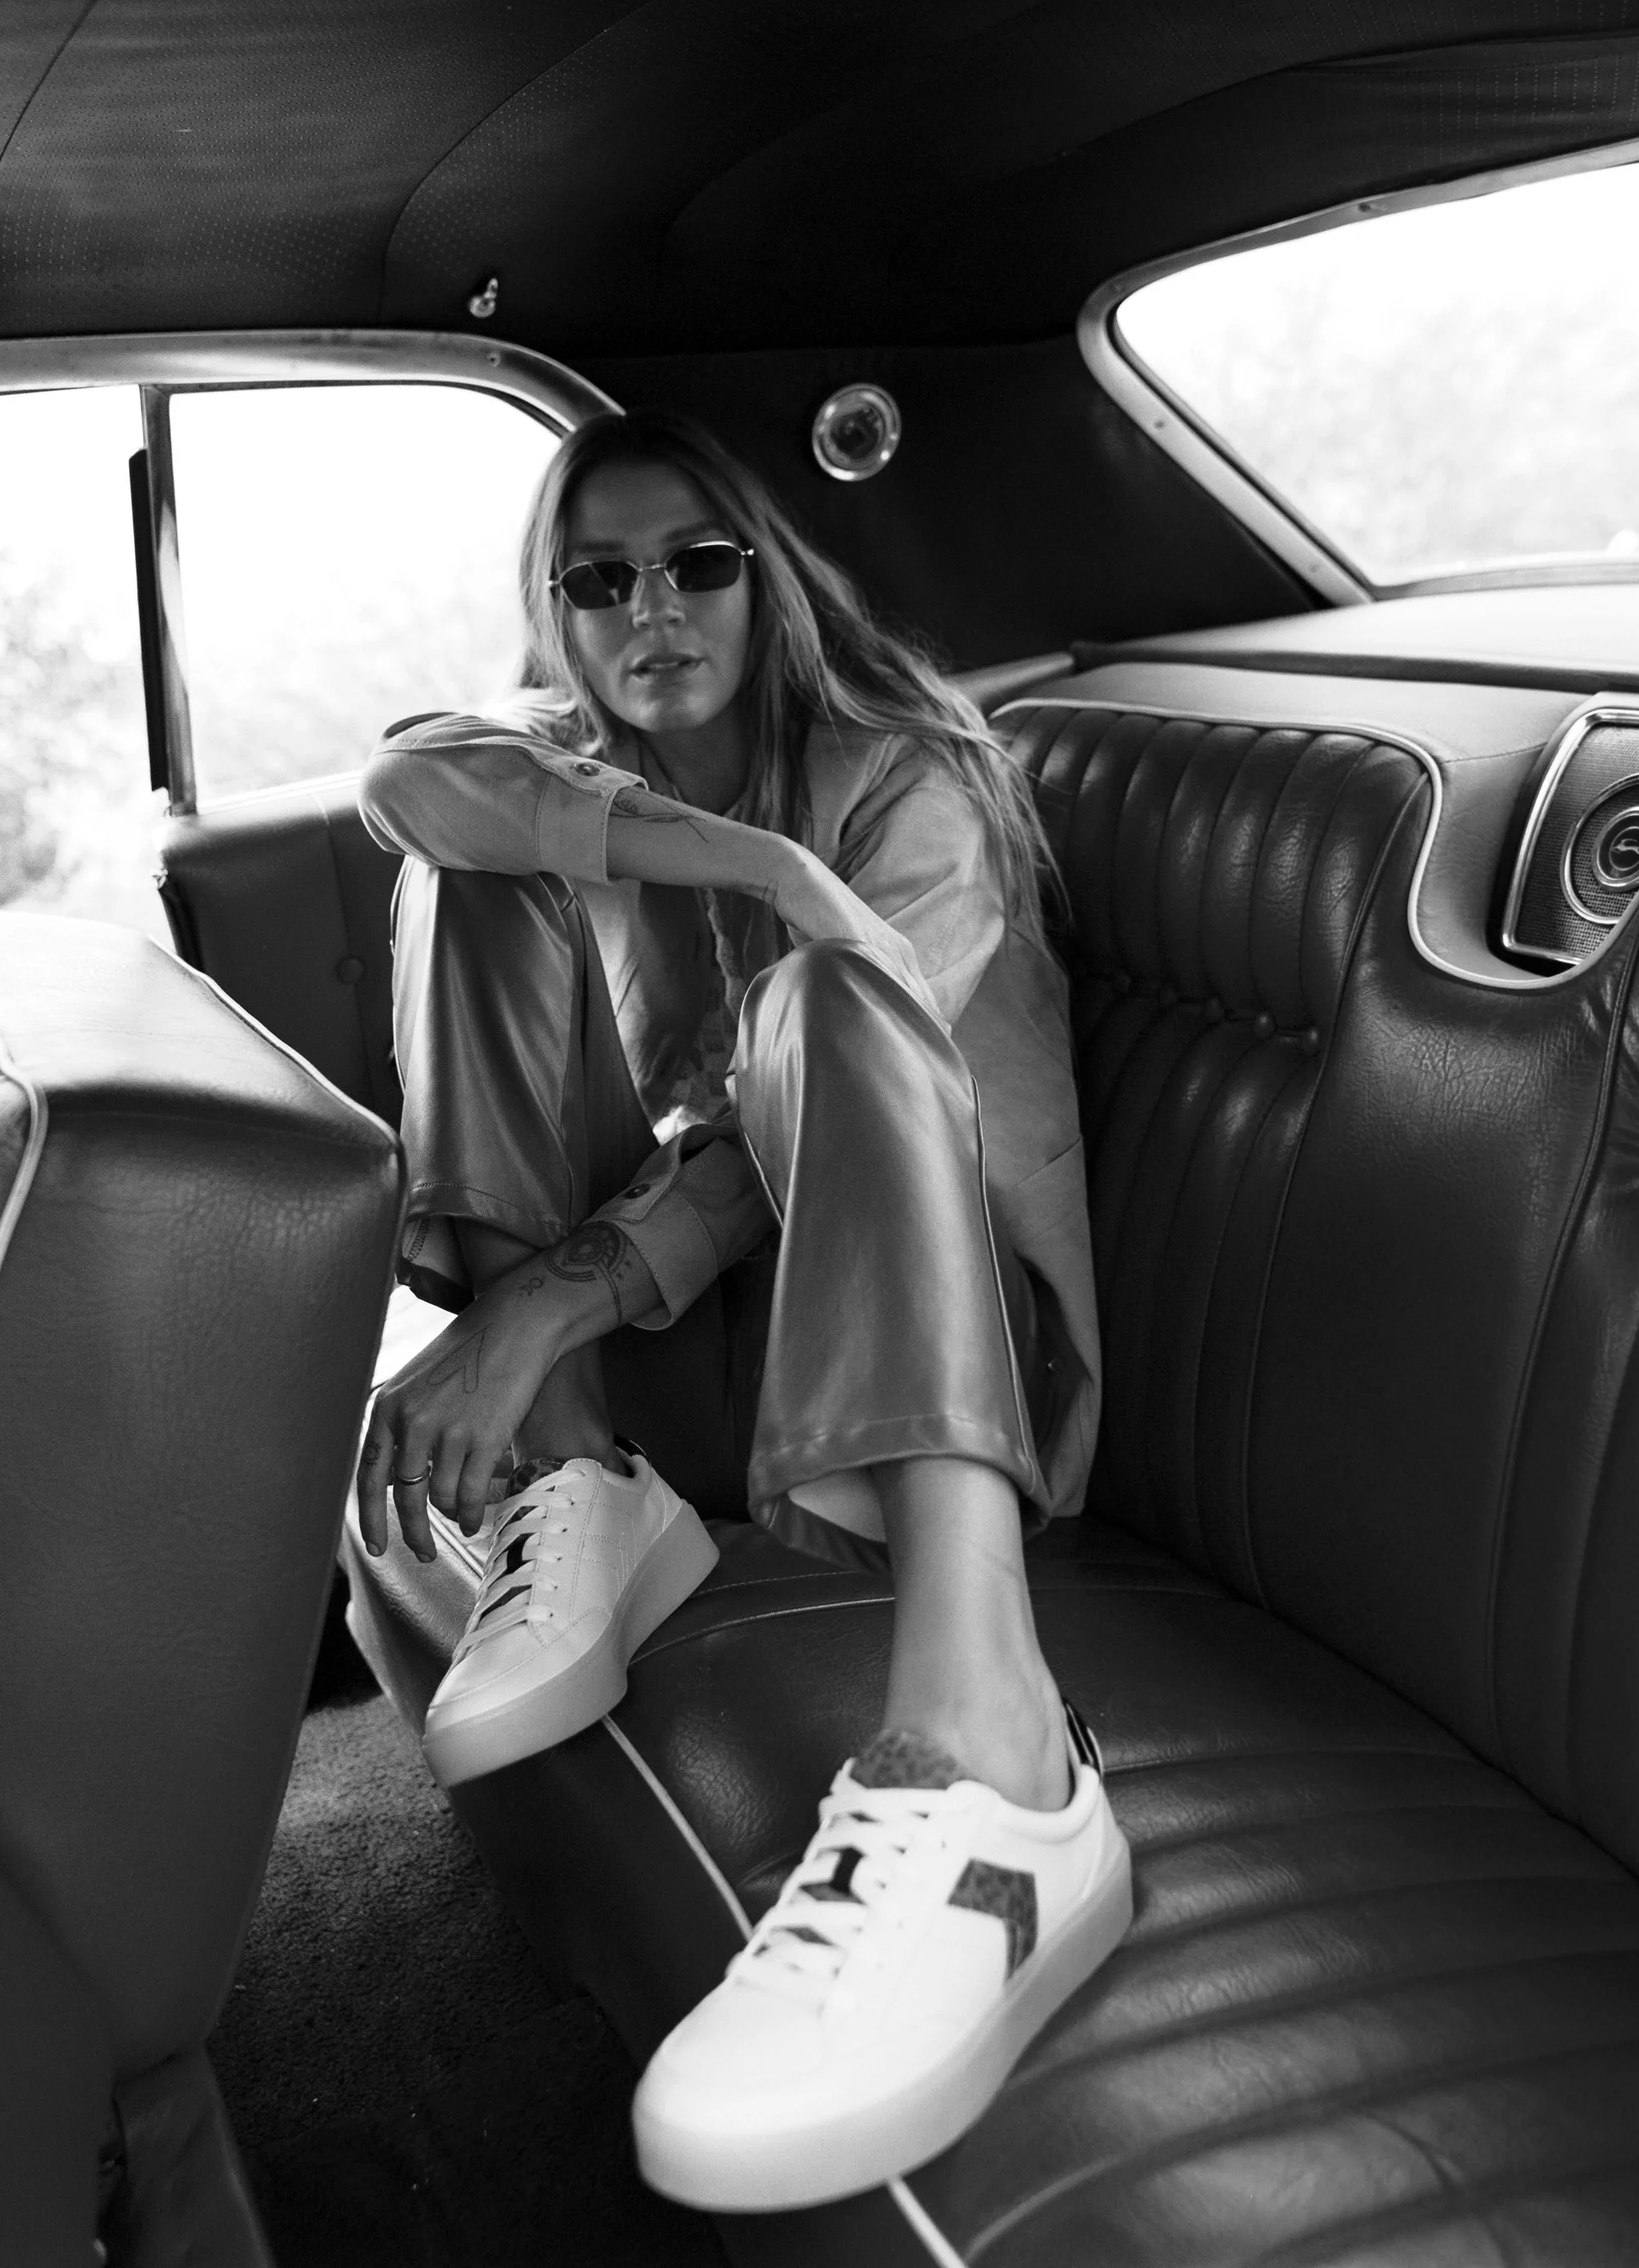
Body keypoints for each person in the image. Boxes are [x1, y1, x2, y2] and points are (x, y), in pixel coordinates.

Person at [352, 408, 1130, 2211]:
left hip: (956, 1381)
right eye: (600, 580)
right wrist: (744, 863)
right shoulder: (578, 776)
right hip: (728, 1378)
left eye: (698, 563)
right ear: (558, 612)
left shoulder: (908, 781)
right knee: (460, 876)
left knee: (832, 995)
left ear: (768, 579)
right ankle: (578, 1481)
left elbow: (799, 1133)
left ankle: (995, 1738)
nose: (654, 610)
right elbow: (404, 779)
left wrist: (533, 1311)